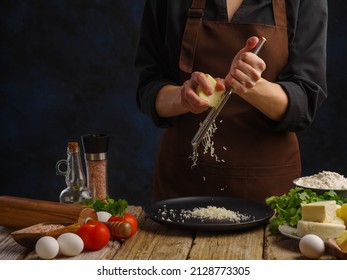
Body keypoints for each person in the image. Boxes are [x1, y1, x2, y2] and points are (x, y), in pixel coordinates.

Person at [135, 0, 328, 203]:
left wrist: (251, 85)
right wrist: (182, 97)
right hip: (183, 183)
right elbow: (148, 87)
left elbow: (304, 103)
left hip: (267, 187)